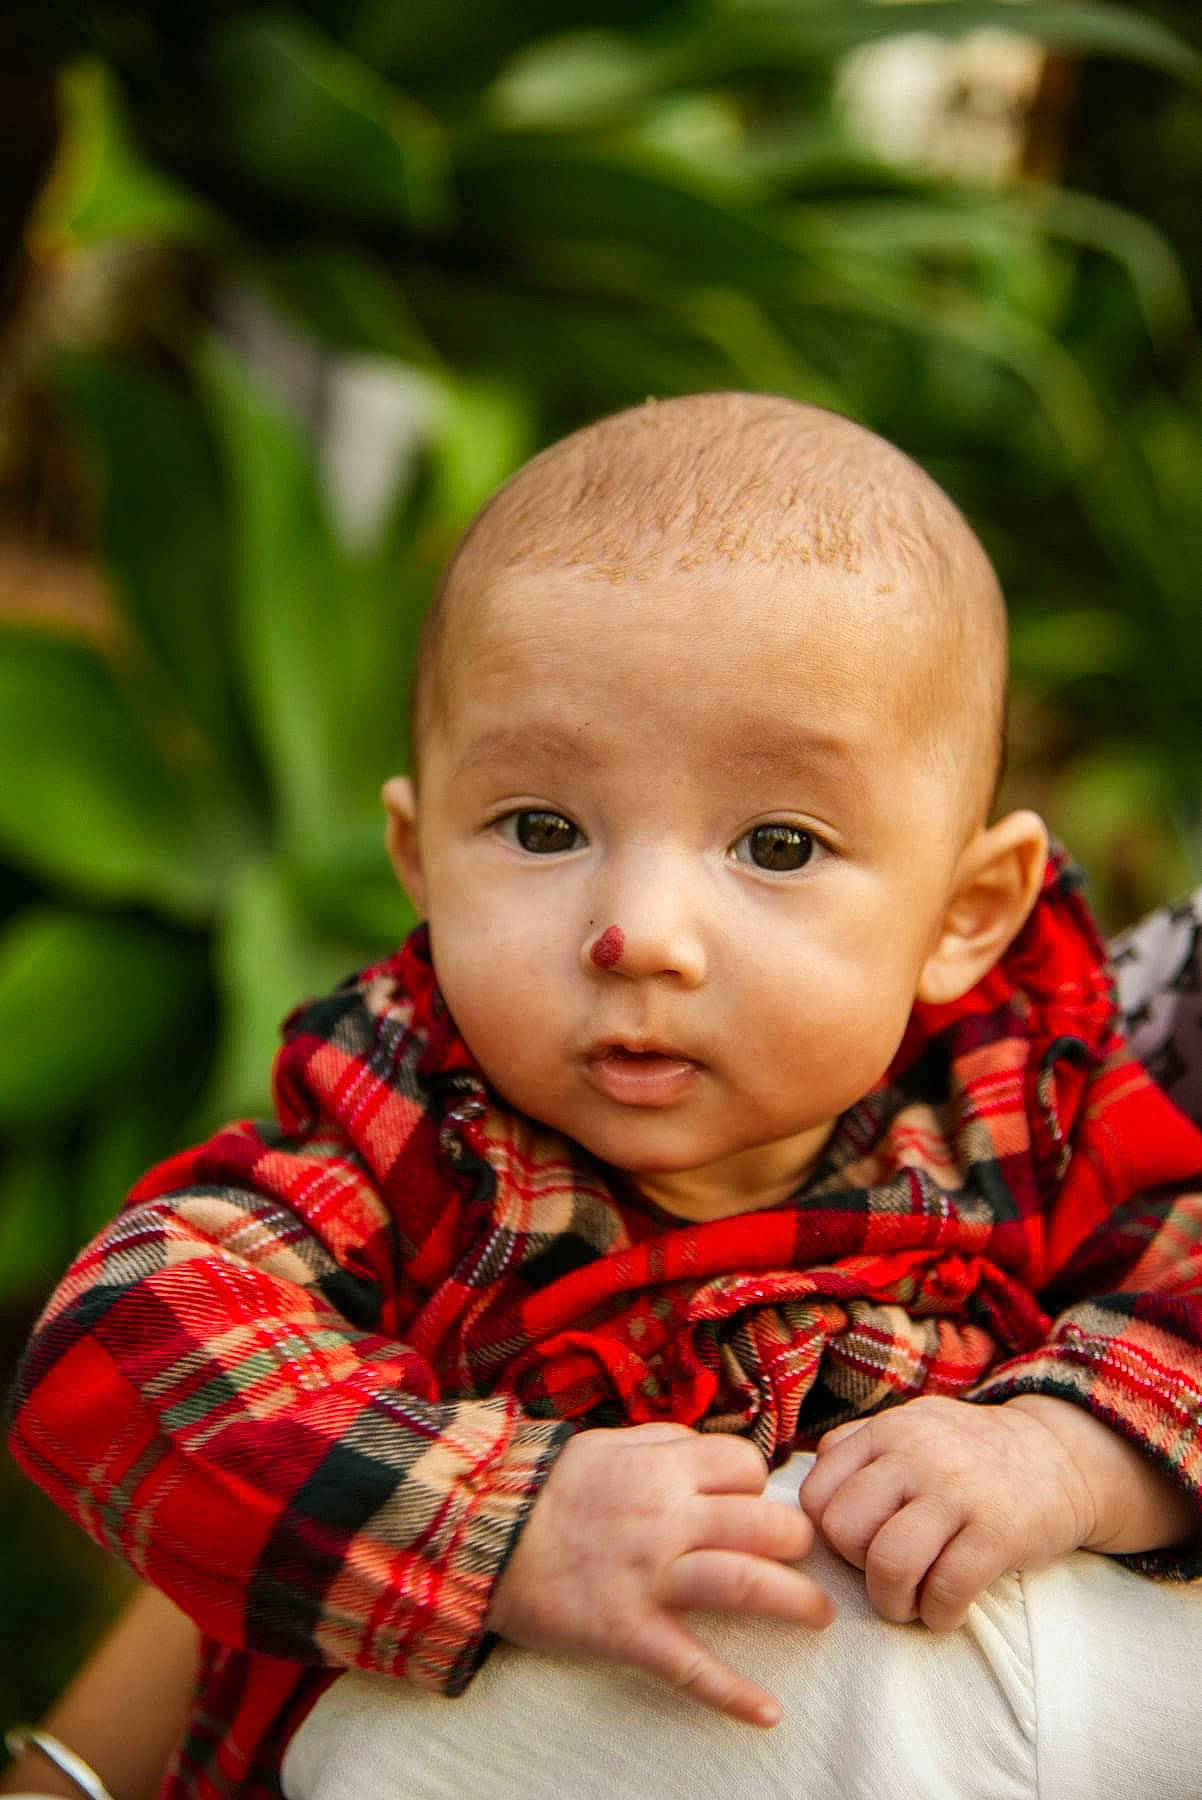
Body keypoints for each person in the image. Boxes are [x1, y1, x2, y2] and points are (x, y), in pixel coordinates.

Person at [8, 393, 1202, 1800]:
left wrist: (1064, 1448)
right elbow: (127, 1336)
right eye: (541, 829)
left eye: (775, 842)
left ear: (966, 909)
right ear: (418, 859)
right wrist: (506, 1523)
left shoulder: (1024, 1109)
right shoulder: (416, 1131)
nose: (639, 931)